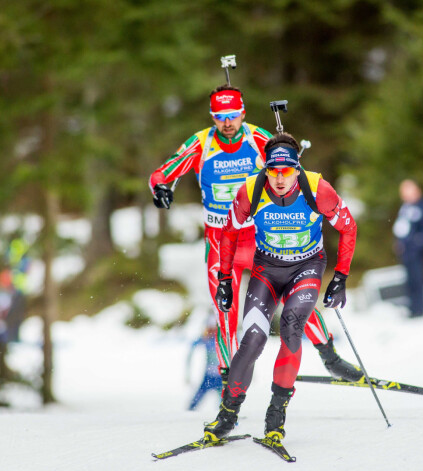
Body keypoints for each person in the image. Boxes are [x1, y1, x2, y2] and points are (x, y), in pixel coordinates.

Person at [149, 85, 362, 387]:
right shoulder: (201, 144)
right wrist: (160, 188)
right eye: (220, 116)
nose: (227, 123)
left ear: (243, 113)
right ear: (212, 117)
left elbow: (292, 171)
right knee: (225, 309)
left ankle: (330, 357)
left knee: (293, 299)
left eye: (233, 115)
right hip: (221, 242)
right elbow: (161, 174)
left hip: (259, 239)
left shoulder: (258, 138)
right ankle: (228, 381)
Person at [203, 131, 357, 444]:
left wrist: (340, 277)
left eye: (286, 171)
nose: (279, 179)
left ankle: (276, 413)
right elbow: (228, 234)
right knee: (253, 339)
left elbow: (348, 227)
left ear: (297, 169)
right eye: (273, 171)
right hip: (267, 270)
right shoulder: (251, 189)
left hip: (306, 268)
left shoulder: (317, 188)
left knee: (291, 325)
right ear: (266, 170)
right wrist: (224, 279)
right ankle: (228, 413)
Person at [392, 179, 423, 317]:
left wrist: (418, 242)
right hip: (406, 251)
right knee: (409, 280)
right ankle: (412, 307)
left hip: (417, 251)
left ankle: (420, 308)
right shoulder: (404, 208)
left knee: (418, 279)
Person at [186, 320, 222, 411]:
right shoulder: (207, 339)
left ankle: (228, 416)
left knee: (225, 401)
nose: (211, 331)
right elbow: (192, 346)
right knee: (195, 401)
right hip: (209, 376)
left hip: (221, 375)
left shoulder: (220, 339)